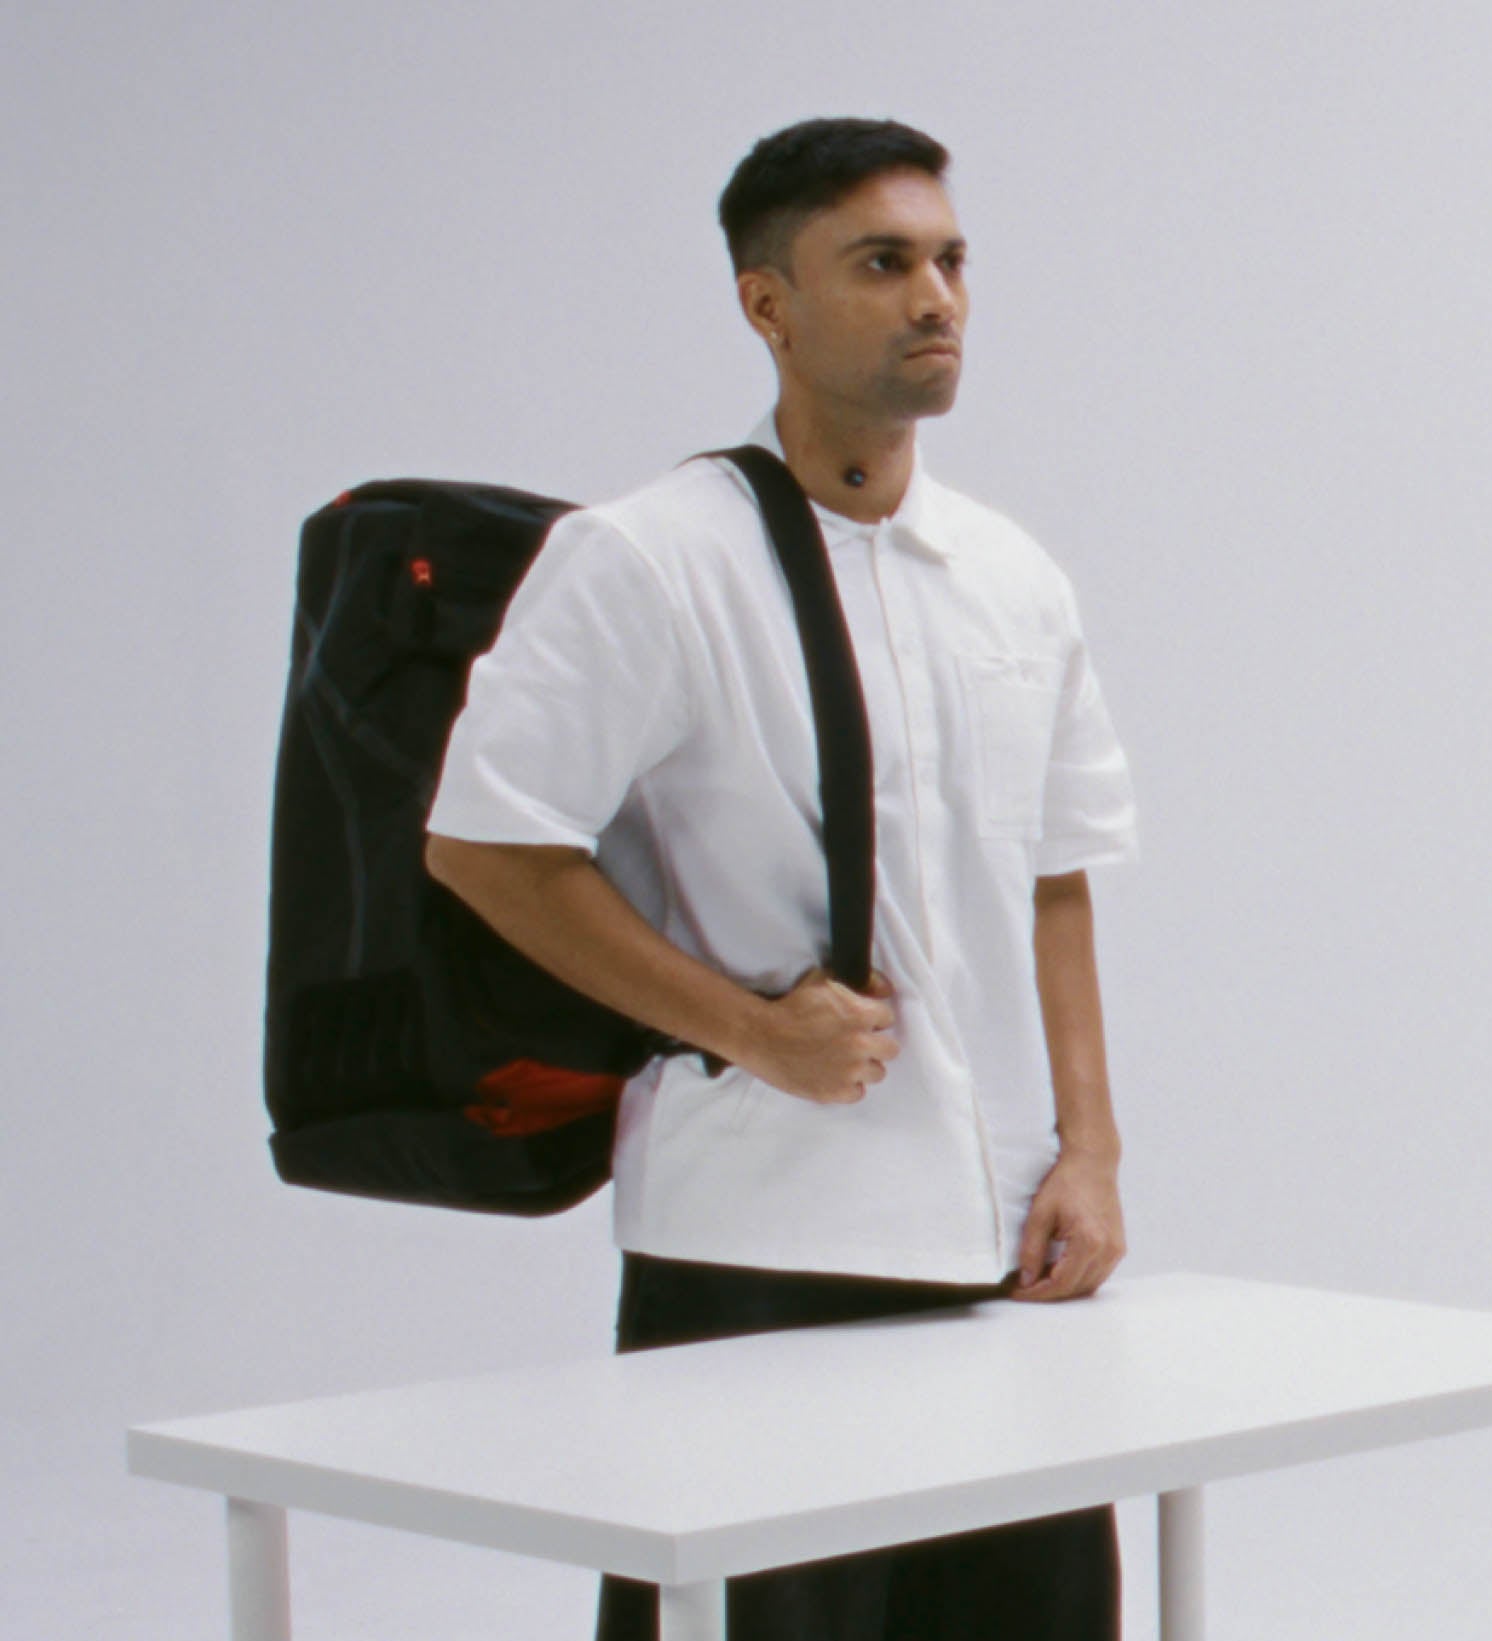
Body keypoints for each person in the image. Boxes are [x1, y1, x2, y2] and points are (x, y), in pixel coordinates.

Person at [424, 116, 1140, 1641]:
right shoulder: (648, 558)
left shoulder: (1011, 575)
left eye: (949, 260)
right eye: (879, 263)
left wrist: (1088, 1149)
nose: (934, 297)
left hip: (1002, 1250)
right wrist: (749, 1029)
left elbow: (1055, 874)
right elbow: (486, 841)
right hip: (755, 1244)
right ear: (767, 304)